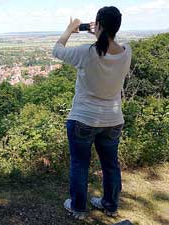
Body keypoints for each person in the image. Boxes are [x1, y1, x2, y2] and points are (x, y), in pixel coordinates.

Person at [52, 6, 132, 219]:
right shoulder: (127, 52)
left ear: (99, 25)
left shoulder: (86, 52)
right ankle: (110, 205)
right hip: (113, 120)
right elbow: (109, 53)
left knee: (80, 164)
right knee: (110, 165)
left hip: (84, 119)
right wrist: (101, 33)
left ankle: (78, 208)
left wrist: (70, 29)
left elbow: (57, 50)